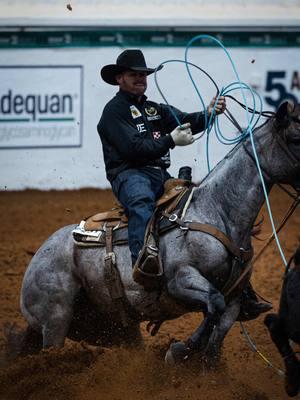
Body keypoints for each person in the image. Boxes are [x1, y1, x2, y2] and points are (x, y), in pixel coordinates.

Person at [97, 49, 271, 317]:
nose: (141, 79)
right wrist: (170, 141)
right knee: (141, 201)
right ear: (119, 78)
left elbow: (186, 121)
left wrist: (209, 113)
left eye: (143, 74)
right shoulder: (113, 111)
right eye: (134, 75)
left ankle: (235, 285)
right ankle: (144, 264)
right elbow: (133, 149)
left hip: (159, 174)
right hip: (129, 174)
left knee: (196, 205)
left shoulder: (154, 108)